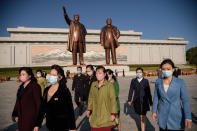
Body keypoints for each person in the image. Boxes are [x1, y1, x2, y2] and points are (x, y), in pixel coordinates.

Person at [152, 59, 192, 131]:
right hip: (162, 115)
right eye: (163, 69)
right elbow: (156, 97)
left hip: (176, 115)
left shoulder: (180, 82)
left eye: (168, 69)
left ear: (173, 69)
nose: (166, 71)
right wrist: (154, 111)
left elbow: (185, 100)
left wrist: (188, 117)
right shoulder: (158, 82)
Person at [34, 65, 76, 131]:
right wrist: (37, 124)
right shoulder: (46, 90)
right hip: (50, 125)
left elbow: (70, 110)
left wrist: (72, 127)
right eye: (50, 74)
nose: (51, 76)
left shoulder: (64, 91)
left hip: (62, 125)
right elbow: (42, 108)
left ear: (60, 77)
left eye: (54, 75)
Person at [87, 66, 117, 131]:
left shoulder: (109, 85)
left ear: (105, 74)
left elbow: (113, 100)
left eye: (100, 73)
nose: (98, 75)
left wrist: (113, 114)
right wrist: (89, 109)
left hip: (106, 115)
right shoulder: (93, 84)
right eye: (97, 73)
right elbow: (90, 97)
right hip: (95, 115)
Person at [12, 67, 42, 131]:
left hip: (31, 118)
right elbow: (18, 101)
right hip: (21, 117)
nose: (21, 76)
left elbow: (39, 104)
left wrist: (37, 123)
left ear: (30, 76)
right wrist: (14, 113)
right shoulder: (21, 86)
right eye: (20, 75)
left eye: (23, 74)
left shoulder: (35, 86)